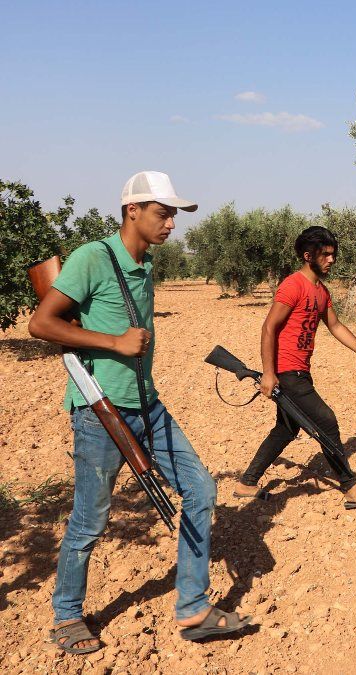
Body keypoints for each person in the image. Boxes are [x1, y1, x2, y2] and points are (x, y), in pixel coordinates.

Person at [29, 171, 249, 654]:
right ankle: (67, 616)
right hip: (99, 410)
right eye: (163, 212)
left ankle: (192, 605)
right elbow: (41, 323)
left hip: (147, 405)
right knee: (91, 518)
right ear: (133, 211)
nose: (172, 222)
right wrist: (112, 341)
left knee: (200, 489)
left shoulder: (145, 263)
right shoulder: (92, 257)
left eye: (173, 214)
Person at [232, 225, 356, 508]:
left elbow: (336, 325)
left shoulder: (321, 291)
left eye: (333, 254)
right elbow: (269, 327)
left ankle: (246, 483)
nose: (332, 260)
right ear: (308, 255)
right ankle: (351, 488)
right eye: (326, 255)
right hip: (287, 371)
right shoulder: (293, 285)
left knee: (286, 430)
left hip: (301, 370)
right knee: (326, 421)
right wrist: (269, 373)